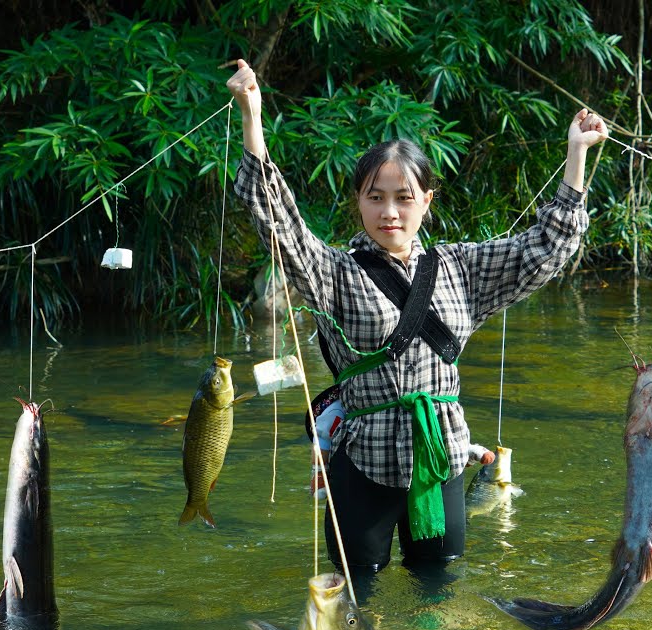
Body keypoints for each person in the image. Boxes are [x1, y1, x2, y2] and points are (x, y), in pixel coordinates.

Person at [227, 58, 607, 578]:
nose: (390, 213)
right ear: (358, 204)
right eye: (375, 198)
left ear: (426, 201)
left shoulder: (460, 269)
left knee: (441, 591)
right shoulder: (334, 273)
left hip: (442, 458)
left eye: (404, 199)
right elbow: (279, 224)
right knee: (351, 596)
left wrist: (576, 154)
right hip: (364, 465)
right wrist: (252, 118)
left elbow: (544, 249)